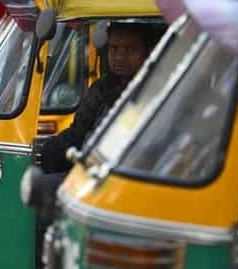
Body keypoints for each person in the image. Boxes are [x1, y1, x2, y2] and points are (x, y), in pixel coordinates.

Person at [41, 22, 157, 173]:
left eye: (130, 49)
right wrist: (48, 151)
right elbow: (78, 133)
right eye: (114, 48)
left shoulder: (159, 89)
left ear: (149, 52)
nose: (120, 56)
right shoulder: (102, 87)